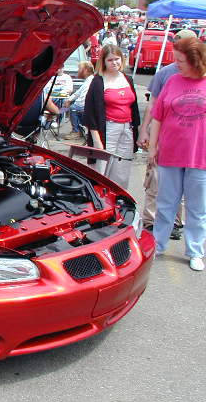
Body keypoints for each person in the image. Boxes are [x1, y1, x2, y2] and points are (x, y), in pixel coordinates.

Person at [148, 36, 206, 271]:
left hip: (200, 156)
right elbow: (158, 116)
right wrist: (152, 146)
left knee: (197, 208)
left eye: (180, 61)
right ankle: (158, 244)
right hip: (170, 153)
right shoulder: (172, 80)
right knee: (165, 204)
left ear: (195, 60)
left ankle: (195, 251)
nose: (176, 64)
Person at [137, 29, 198, 238]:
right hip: (165, 138)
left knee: (184, 188)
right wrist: (144, 130)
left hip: (192, 144)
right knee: (156, 182)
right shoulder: (166, 74)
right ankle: (151, 222)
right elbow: (153, 106)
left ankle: (175, 223)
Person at [84, 44, 140, 189]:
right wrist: (97, 140)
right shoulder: (98, 81)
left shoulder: (127, 79)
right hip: (107, 129)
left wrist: (138, 133)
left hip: (127, 128)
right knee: (102, 167)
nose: (114, 62)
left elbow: (134, 109)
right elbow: (90, 112)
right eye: (110, 60)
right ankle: (100, 197)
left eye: (117, 59)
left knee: (122, 167)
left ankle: (118, 197)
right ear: (103, 61)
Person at [63, 61, 94, 141]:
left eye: (80, 69)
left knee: (73, 108)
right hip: (86, 105)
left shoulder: (90, 81)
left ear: (85, 70)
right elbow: (78, 92)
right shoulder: (88, 80)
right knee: (71, 106)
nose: (78, 71)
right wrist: (69, 100)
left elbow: (82, 99)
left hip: (86, 107)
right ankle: (80, 129)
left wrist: (70, 103)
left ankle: (76, 131)